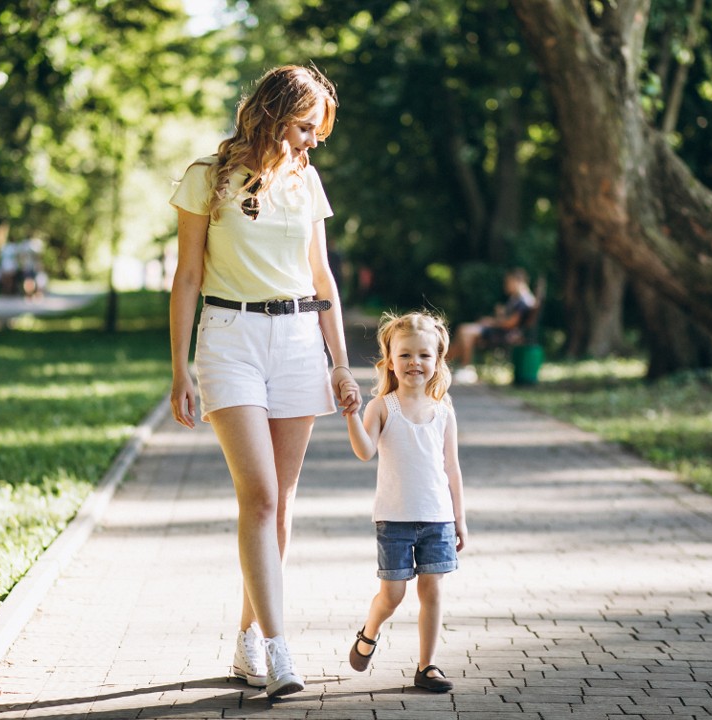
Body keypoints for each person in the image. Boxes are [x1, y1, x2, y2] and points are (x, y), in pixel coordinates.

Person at [168, 65, 361, 699]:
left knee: (280, 506)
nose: (312, 141)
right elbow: (188, 277)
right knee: (259, 496)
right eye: (306, 127)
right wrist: (178, 370)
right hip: (230, 340)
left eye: (318, 132)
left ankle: (250, 635)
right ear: (274, 115)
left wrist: (339, 361)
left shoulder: (308, 182)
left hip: (301, 340)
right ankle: (280, 652)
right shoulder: (208, 178)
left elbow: (322, 276)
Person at [344, 311, 467, 693]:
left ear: (437, 360)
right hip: (394, 520)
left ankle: (427, 666)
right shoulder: (382, 406)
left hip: (437, 518)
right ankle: (369, 631)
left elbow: (452, 468)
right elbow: (365, 452)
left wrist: (459, 520)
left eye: (424, 355)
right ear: (390, 360)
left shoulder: (443, 410)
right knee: (392, 594)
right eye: (406, 355)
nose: (415, 363)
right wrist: (351, 415)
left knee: (432, 590)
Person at [450, 268, 535, 383]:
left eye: (508, 282)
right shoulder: (518, 298)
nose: (506, 285)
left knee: (465, 332)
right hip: (501, 331)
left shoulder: (523, 300)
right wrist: (496, 317)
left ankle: (464, 368)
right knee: (463, 330)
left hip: (505, 334)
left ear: (517, 281)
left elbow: (510, 324)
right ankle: (445, 363)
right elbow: (509, 320)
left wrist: (492, 321)